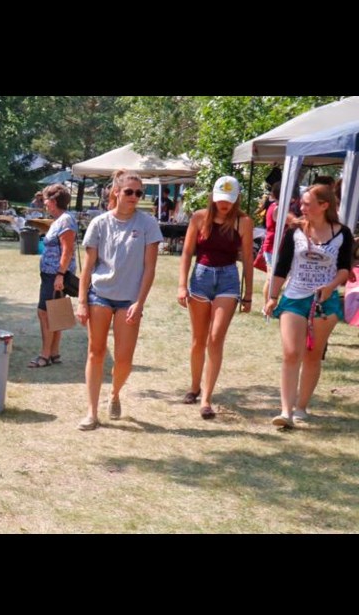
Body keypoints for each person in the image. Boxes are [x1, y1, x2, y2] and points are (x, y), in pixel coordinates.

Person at [75, 169, 163, 431]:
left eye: (139, 193)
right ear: (116, 192)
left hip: (129, 301)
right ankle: (91, 412)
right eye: (129, 192)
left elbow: (149, 268)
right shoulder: (100, 223)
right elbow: (88, 268)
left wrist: (140, 302)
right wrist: (81, 301)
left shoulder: (148, 224)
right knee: (96, 352)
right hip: (99, 295)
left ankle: (114, 394)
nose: (134, 197)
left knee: (124, 359)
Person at [264, 184, 354, 428]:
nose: (301, 207)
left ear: (324, 206)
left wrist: (331, 286)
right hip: (294, 297)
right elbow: (281, 267)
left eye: (306, 203)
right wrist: (272, 296)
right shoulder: (294, 231)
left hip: (325, 301)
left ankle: (301, 406)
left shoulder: (342, 234)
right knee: (291, 353)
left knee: (313, 355)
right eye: (301, 203)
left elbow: (345, 269)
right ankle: (285, 411)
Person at [177, 175, 254, 419]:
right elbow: (187, 252)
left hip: (228, 278)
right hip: (201, 276)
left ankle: (207, 400)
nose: (225, 204)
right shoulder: (200, 217)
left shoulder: (244, 221)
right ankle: (194, 386)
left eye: (229, 200)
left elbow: (249, 260)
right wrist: (181, 285)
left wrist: (249, 294)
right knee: (198, 339)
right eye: (221, 199)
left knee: (215, 337)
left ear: (237, 199)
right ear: (213, 196)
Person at [28, 183, 77, 368]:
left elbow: (67, 250)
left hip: (55, 275)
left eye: (46, 200)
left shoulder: (65, 221)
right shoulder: (60, 220)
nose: (44, 203)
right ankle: (54, 352)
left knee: (45, 313)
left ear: (54, 201)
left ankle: (45, 355)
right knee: (54, 312)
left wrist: (59, 275)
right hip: (52, 274)